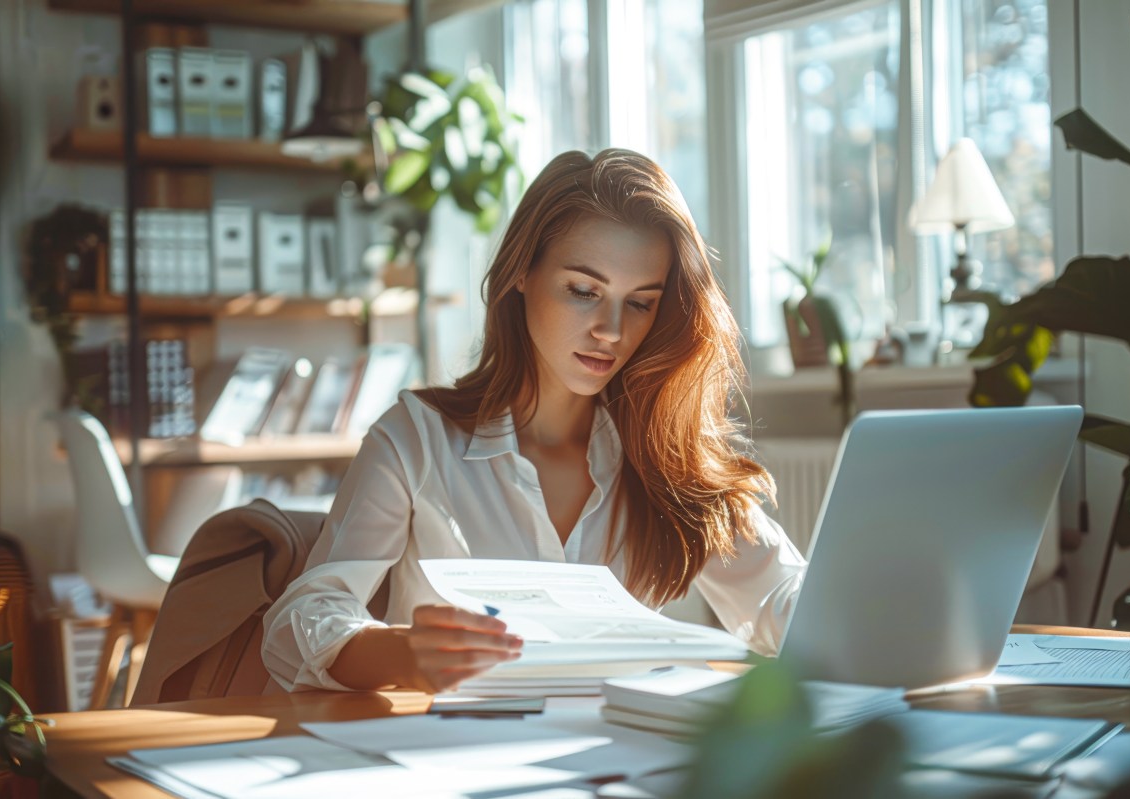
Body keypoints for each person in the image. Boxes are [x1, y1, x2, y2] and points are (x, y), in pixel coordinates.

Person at [262, 149, 806, 694]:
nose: (611, 331)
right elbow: (299, 622)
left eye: (640, 303)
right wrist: (398, 653)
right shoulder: (416, 439)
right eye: (584, 292)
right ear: (522, 271)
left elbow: (789, 602)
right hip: (455, 758)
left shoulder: (668, 456)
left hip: (616, 758)